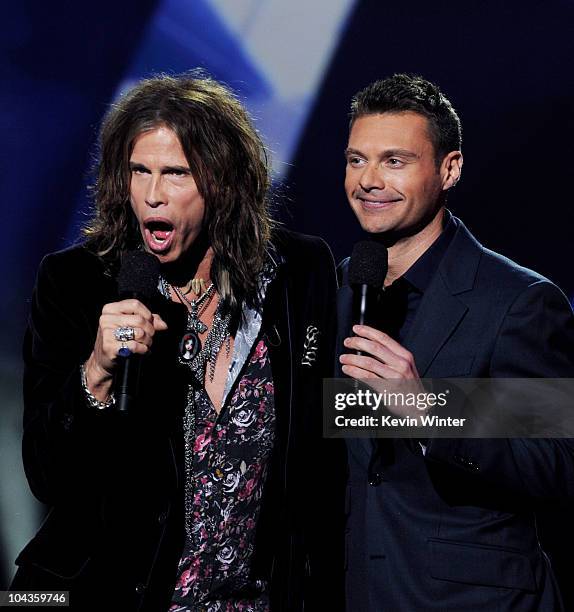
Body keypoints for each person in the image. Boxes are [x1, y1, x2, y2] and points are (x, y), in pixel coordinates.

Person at [11, 72, 344, 611]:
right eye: (138, 171)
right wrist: (95, 371)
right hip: (111, 594)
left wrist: (425, 406)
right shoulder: (75, 283)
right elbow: (47, 475)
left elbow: (328, 438)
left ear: (224, 182)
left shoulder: (298, 271)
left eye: (175, 174)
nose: (152, 195)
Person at [336, 74, 574, 610]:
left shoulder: (518, 300)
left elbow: (560, 461)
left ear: (450, 168)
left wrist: (429, 411)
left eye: (394, 161)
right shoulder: (338, 291)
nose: (369, 180)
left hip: (470, 599)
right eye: (356, 159)